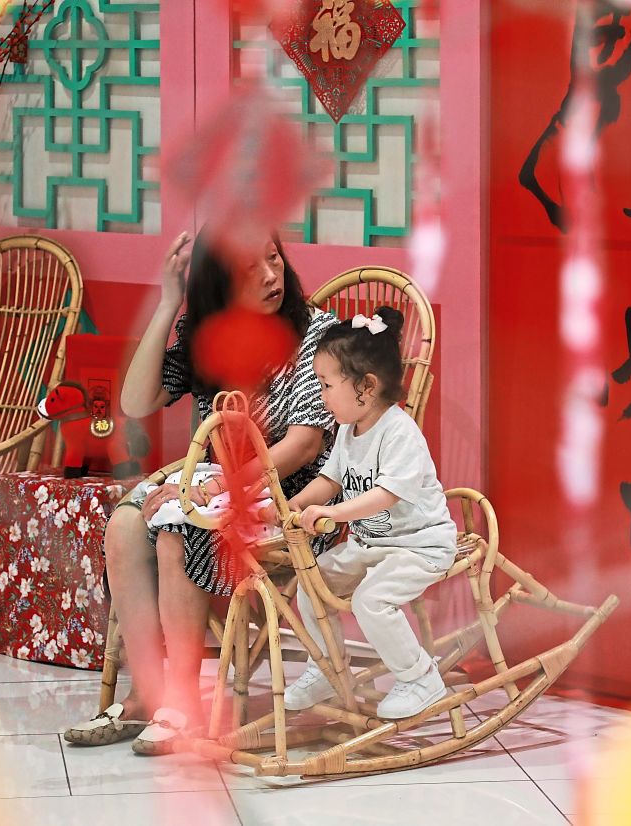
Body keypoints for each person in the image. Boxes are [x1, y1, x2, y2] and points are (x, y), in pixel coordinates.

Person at [64, 228, 338, 754]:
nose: (270, 277)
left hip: (296, 495)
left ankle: (182, 700)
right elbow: (136, 399)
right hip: (218, 482)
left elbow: (304, 446)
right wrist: (169, 300)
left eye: (274, 258)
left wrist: (219, 483)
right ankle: (148, 690)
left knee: (175, 528)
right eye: (248, 271)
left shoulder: (314, 336)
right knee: (125, 524)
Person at [284, 306, 458, 719]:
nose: (321, 395)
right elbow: (329, 479)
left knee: (371, 600)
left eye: (326, 385)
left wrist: (335, 513)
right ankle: (327, 668)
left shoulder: (399, 433)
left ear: (366, 387)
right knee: (311, 584)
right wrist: (298, 503)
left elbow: (386, 495)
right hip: (371, 545)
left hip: (419, 546)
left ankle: (420, 677)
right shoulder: (348, 430)